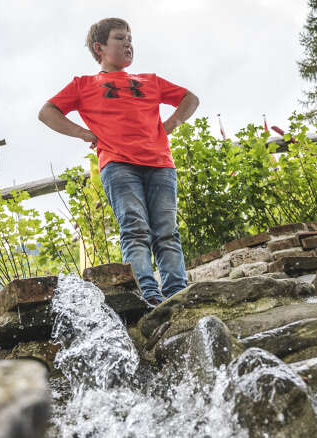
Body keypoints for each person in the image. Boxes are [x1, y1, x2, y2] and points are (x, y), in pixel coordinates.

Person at [38, 17, 199, 307]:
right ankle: (147, 293)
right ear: (99, 48)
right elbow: (47, 112)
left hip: (161, 164)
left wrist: (172, 123)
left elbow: (190, 98)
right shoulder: (83, 84)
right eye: (120, 38)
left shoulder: (150, 81)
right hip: (118, 164)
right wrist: (82, 133)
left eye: (130, 39)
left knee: (166, 230)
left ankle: (177, 293)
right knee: (135, 228)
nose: (128, 43)